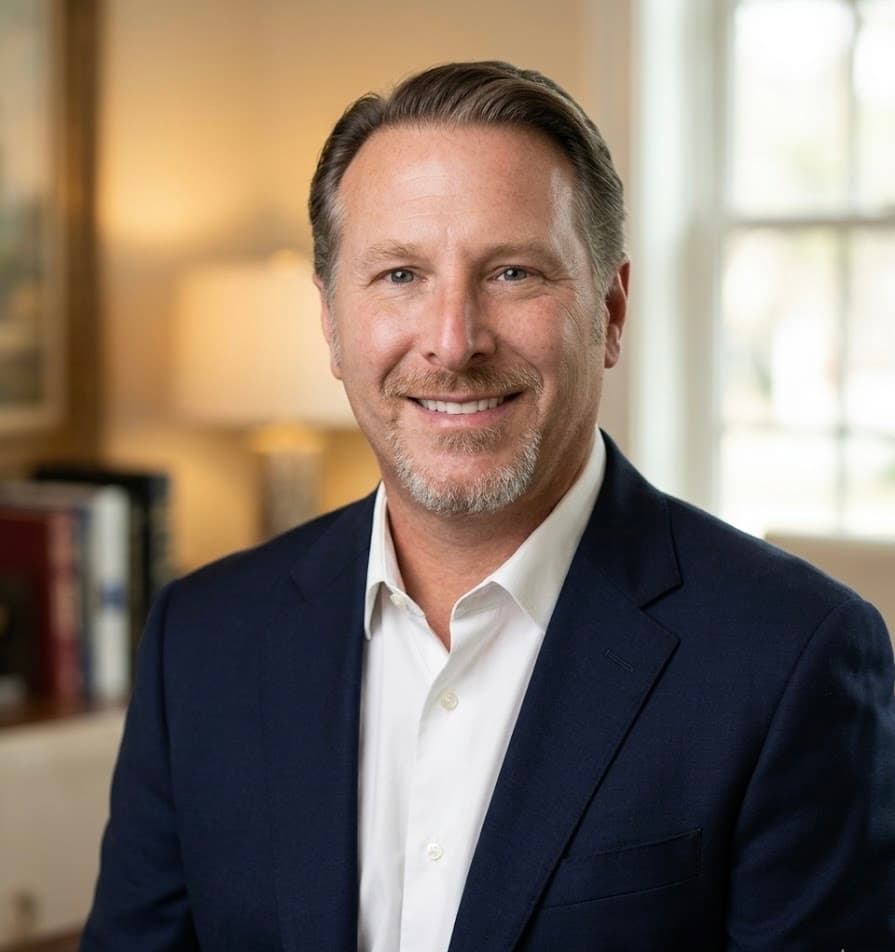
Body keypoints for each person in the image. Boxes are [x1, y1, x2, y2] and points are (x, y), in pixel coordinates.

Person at [82, 61, 895, 951]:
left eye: (512, 272)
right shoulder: (202, 639)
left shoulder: (790, 657)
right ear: (331, 325)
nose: (451, 341)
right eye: (399, 276)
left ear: (610, 310)